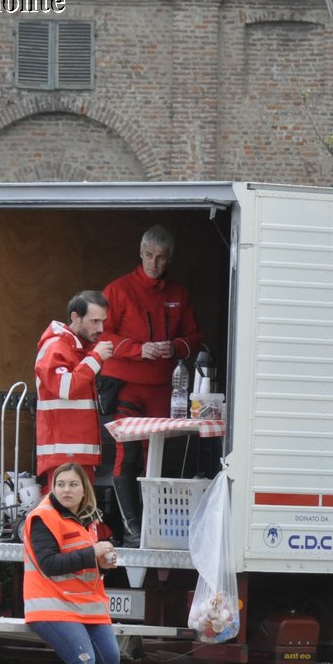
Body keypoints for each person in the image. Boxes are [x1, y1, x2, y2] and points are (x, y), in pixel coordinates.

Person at [100, 224, 204, 545]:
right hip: (127, 385)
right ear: (140, 253)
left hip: (165, 388)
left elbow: (195, 337)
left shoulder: (178, 294)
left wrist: (175, 347)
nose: (153, 263)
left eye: (160, 258)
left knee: (156, 458)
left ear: (169, 259)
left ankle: (154, 527)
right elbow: (101, 335)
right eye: (148, 255)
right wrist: (138, 349)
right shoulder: (117, 290)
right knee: (127, 454)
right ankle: (134, 529)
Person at [21, 461, 122, 664]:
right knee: (84, 660)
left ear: (84, 489)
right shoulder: (43, 517)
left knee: (110, 657)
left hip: (86, 607)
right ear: (53, 488)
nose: (66, 490)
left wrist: (104, 564)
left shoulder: (88, 519)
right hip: (52, 608)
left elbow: (86, 567)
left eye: (73, 484)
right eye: (61, 484)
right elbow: (50, 564)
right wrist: (92, 553)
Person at [34, 290, 114, 486]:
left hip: (74, 452)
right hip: (64, 453)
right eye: (94, 321)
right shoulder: (56, 347)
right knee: (66, 511)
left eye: (102, 321)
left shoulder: (76, 347)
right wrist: (95, 359)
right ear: (75, 317)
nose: (100, 327)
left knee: (78, 512)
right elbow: (65, 388)